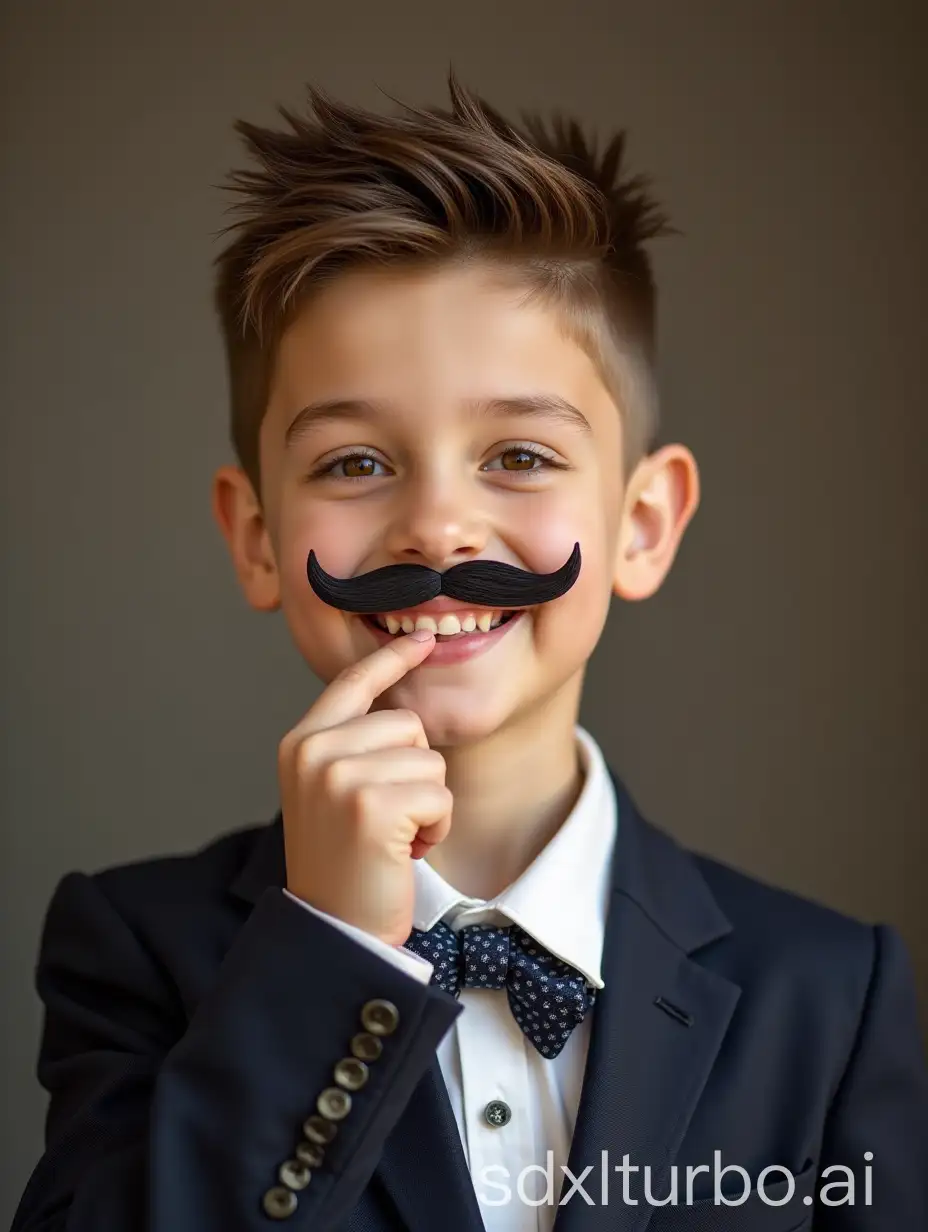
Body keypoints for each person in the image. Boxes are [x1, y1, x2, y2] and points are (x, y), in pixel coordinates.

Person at [12, 69, 927, 1232]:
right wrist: (328, 949)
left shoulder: (827, 993)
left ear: (641, 525)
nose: (437, 526)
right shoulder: (135, 952)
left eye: (521, 456)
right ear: (255, 536)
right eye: (353, 462)